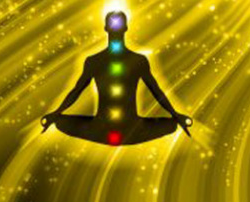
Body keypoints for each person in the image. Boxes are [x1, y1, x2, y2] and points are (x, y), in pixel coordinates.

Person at [41, 11, 191, 146]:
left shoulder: (135, 60)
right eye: (113, 23)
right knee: (171, 125)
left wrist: (176, 116)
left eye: (118, 23)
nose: (116, 27)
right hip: (112, 130)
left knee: (172, 124)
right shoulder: (95, 61)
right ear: (108, 28)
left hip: (120, 130)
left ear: (123, 28)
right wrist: (55, 113)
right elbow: (76, 91)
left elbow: (157, 92)